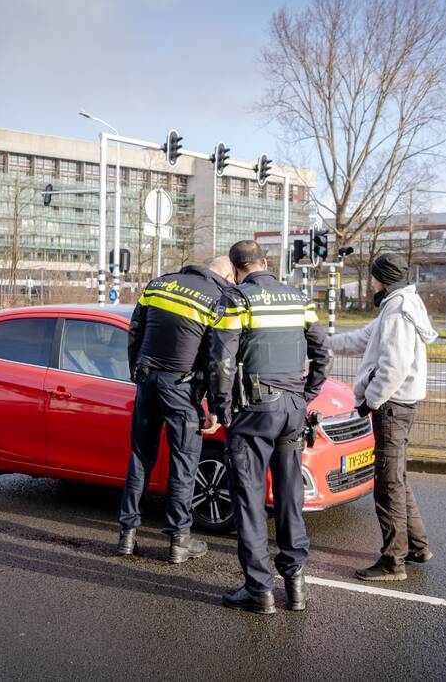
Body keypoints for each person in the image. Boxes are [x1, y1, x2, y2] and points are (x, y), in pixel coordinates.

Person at [208, 240, 330, 614]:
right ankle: (296, 587)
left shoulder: (236, 300)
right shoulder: (298, 298)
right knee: (290, 497)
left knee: (249, 499)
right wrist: (308, 392)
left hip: (254, 411)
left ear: (236, 267)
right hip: (294, 409)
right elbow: (322, 349)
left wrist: (220, 407)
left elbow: (221, 361)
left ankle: (259, 590)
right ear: (265, 262)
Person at [117, 256, 235, 563]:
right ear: (226, 274)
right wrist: (215, 406)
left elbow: (134, 331)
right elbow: (217, 358)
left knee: (140, 457)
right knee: (183, 462)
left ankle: (127, 535)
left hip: (147, 380)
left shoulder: (158, 284)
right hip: (181, 389)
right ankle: (179, 540)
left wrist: (136, 373)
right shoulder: (217, 299)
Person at [329, 252, 438, 581]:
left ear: (383, 279)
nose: (371, 282)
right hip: (400, 405)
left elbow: (394, 366)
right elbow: (363, 339)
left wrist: (370, 402)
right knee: (398, 478)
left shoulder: (397, 310)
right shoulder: (401, 302)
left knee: (388, 484)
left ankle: (393, 562)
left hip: (393, 407)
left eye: (374, 277)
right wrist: (320, 340)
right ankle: (418, 546)